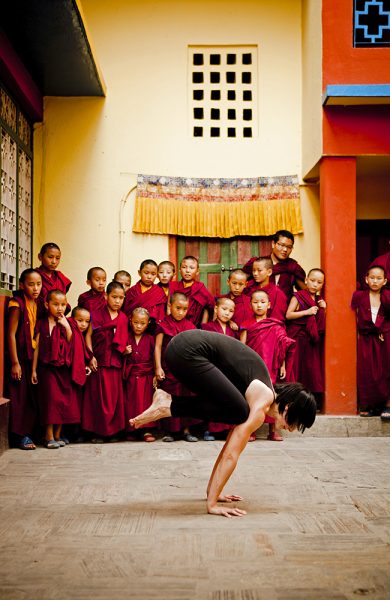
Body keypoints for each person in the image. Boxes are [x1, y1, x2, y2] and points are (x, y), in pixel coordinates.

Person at [130, 330, 317, 518]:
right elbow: (231, 454)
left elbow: (228, 447)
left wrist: (213, 492)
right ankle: (168, 404)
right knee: (239, 412)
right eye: (296, 423)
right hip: (186, 352)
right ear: (289, 408)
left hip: (182, 350)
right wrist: (212, 505)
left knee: (238, 412)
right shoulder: (262, 401)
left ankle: (169, 403)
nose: (292, 429)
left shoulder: (260, 394)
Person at [240, 290, 296, 441]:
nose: (259, 305)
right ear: (250, 304)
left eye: (263, 302)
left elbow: (281, 346)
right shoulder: (247, 324)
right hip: (252, 367)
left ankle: (273, 430)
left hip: (271, 365)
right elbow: (242, 347)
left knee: (273, 397)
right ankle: (251, 431)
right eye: (255, 302)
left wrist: (283, 365)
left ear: (269, 305)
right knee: (251, 398)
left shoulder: (276, 325)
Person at [31, 290, 80, 449]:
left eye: (63, 304)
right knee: (50, 401)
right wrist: (33, 370)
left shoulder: (69, 322)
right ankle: (48, 435)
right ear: (47, 304)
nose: (60, 308)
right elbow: (37, 347)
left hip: (64, 368)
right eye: (55, 304)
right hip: (47, 368)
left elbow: (74, 345)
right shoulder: (42, 323)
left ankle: (58, 434)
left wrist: (67, 328)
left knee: (63, 401)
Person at [82, 282, 128, 442]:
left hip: (115, 362)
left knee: (113, 399)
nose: (117, 301)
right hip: (99, 362)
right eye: (114, 297)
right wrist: (90, 356)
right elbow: (88, 335)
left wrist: (125, 349)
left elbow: (123, 341)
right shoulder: (96, 314)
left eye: (121, 298)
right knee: (98, 398)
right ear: (106, 296)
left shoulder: (123, 318)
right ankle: (98, 432)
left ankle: (113, 432)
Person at [7, 269, 44, 450]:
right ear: (21, 285)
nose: (36, 288)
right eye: (31, 284)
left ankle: (30, 433)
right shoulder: (16, 304)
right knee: (20, 397)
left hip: (33, 358)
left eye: (38, 284)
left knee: (32, 397)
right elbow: (11, 334)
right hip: (20, 357)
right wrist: (15, 363)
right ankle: (20, 436)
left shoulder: (37, 304)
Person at [155, 292, 198, 442]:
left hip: (185, 369)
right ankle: (170, 432)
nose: (181, 312)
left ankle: (186, 430)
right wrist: (158, 367)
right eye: (177, 308)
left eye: (184, 309)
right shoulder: (163, 325)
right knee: (170, 399)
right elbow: (158, 346)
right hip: (169, 369)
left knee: (186, 399)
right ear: (170, 306)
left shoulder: (190, 325)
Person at [351, 265, 390, 419]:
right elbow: (353, 316)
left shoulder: (387, 296)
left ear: (385, 281)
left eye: (379, 278)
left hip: (385, 336)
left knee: (386, 370)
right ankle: (371, 404)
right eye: (372, 278)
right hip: (366, 337)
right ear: (366, 279)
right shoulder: (359, 296)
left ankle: (388, 405)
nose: (375, 281)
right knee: (367, 371)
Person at [286, 268, 326, 408]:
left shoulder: (320, 300)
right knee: (297, 370)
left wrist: (323, 309)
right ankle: (295, 401)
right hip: (298, 338)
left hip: (311, 341)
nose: (315, 284)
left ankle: (310, 403)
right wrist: (307, 312)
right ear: (306, 280)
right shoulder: (297, 296)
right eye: (313, 281)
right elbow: (289, 315)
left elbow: (320, 323)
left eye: (319, 282)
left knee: (312, 371)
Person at [201, 297, 237, 440]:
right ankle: (210, 430)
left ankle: (225, 429)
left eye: (231, 311)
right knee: (211, 398)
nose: (227, 313)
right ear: (216, 309)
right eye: (224, 309)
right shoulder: (207, 327)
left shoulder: (233, 330)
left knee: (227, 398)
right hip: (212, 367)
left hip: (227, 369)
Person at [243, 230, 306, 301]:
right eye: (282, 245)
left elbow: (305, 293)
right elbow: (241, 284)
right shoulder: (258, 263)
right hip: (260, 308)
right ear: (273, 244)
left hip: (284, 308)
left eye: (289, 247)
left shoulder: (293, 267)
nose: (285, 249)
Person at [124, 308, 157, 442]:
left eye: (142, 323)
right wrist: (124, 353)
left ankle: (146, 430)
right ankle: (131, 430)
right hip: (131, 375)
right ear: (131, 320)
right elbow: (119, 356)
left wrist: (155, 374)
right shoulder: (126, 336)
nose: (138, 326)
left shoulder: (150, 338)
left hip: (146, 376)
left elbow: (155, 357)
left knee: (145, 403)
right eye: (136, 322)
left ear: (148, 323)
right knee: (130, 403)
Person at [169, 256, 214, 327]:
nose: (187, 270)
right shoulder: (173, 286)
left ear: (197, 271)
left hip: (193, 328)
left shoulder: (200, 288)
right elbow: (168, 307)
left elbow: (211, 306)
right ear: (180, 270)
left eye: (191, 268)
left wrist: (203, 325)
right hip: (172, 325)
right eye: (184, 267)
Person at [123, 259, 167, 329]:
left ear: (157, 275)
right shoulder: (132, 291)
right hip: (133, 327)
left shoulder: (159, 292)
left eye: (153, 274)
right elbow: (126, 312)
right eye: (146, 273)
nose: (149, 277)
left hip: (151, 329)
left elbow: (160, 315)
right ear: (139, 273)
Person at [244, 257, 288, 321]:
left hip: (268, 328)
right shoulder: (248, 288)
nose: (255, 274)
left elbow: (277, 319)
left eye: (259, 270)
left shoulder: (277, 293)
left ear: (269, 272)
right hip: (247, 326)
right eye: (254, 270)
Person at [36, 242, 72, 307]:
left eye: (57, 258)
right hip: (38, 314)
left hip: (58, 313)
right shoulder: (34, 275)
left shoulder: (61, 277)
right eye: (50, 257)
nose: (54, 262)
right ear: (40, 257)